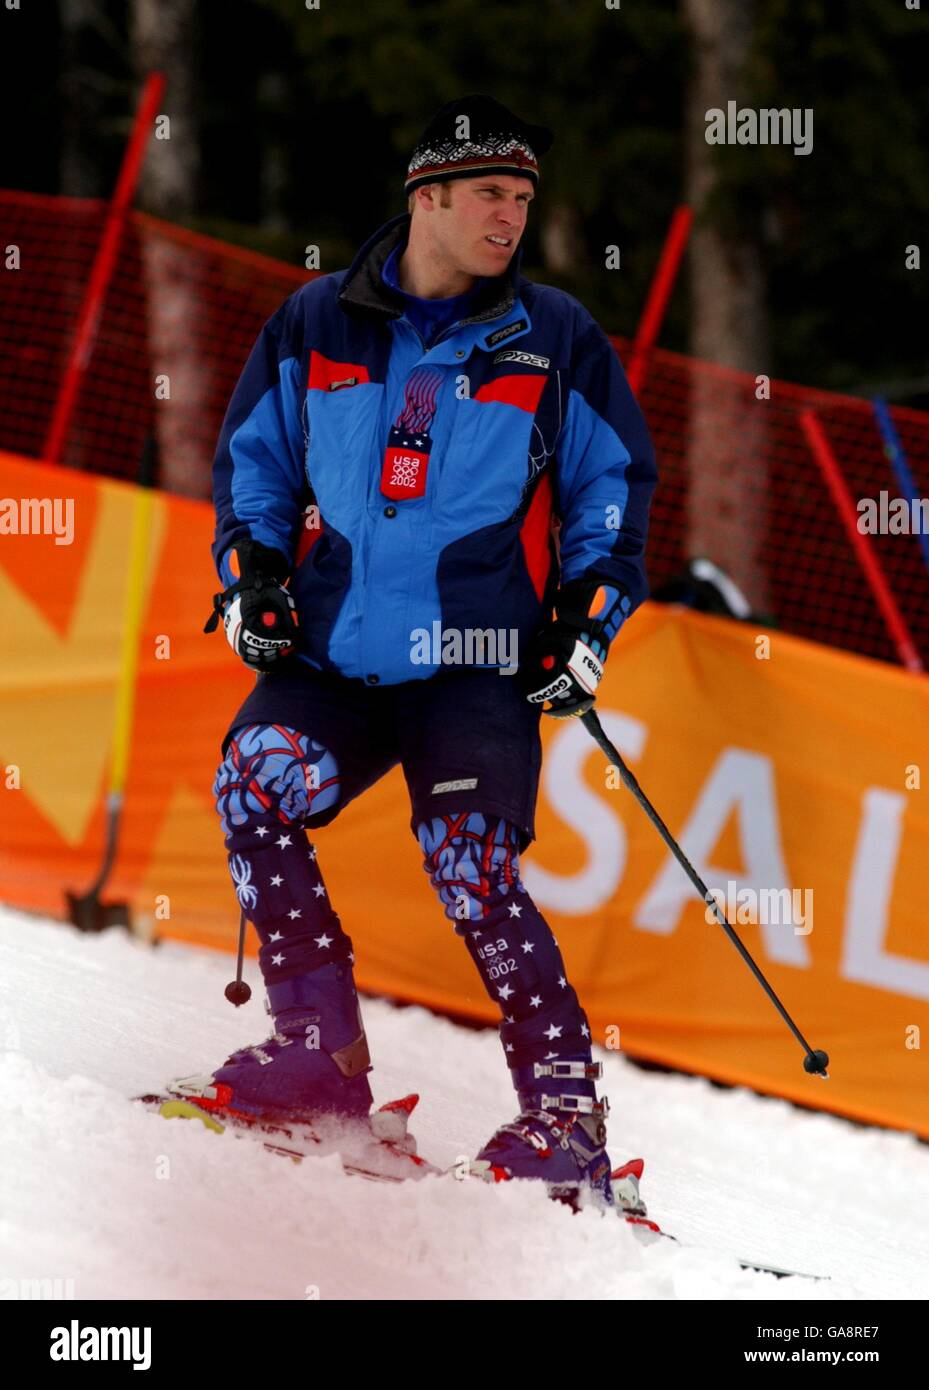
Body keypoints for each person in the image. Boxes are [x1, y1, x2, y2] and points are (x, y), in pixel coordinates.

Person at [178, 95, 658, 1211]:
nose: (510, 217)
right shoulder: (314, 322)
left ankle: (562, 1118)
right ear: (425, 199)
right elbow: (256, 465)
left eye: (524, 199)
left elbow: (612, 491)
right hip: (334, 646)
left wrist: (587, 622)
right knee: (254, 781)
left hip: (474, 658)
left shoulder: (553, 336)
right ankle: (314, 1050)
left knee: (470, 861)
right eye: (490, 193)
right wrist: (249, 579)